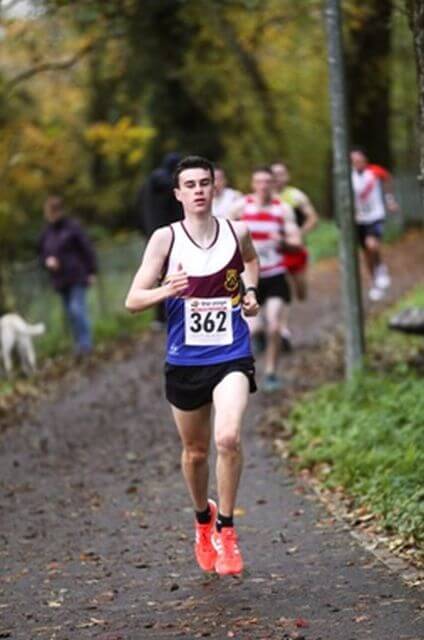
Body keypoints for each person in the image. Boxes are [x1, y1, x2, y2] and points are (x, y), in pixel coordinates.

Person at [125, 156, 260, 576]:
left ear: (214, 188)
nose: (199, 190)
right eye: (190, 184)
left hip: (231, 353)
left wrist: (251, 291)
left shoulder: (237, 231)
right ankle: (203, 519)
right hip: (184, 360)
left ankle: (228, 530)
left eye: (205, 182)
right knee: (195, 452)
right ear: (178, 193)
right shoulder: (165, 240)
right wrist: (167, 290)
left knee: (228, 438)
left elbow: (252, 260)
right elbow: (132, 300)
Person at [231, 167, 301, 392]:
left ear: (273, 185)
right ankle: (249, 360)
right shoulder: (241, 207)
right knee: (252, 330)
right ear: (253, 185)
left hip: (275, 275)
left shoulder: (284, 209)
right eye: (258, 182)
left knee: (274, 326)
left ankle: (271, 372)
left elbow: (296, 242)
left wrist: (282, 241)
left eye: (267, 182)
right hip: (249, 278)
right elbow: (222, 233)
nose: (263, 186)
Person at [38, 195, 97, 355]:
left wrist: (91, 271)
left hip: (77, 275)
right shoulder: (46, 233)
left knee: (76, 309)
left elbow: (87, 249)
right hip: (59, 280)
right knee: (70, 314)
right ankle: (78, 345)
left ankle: (86, 345)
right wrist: (47, 261)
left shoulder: (72, 228)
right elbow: (42, 254)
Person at [272, 162, 319, 349]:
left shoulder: (295, 196)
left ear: (287, 176)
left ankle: (280, 326)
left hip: (296, 248)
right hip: (275, 252)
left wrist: (299, 233)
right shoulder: (263, 197)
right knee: (283, 289)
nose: (278, 178)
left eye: (281, 174)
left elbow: (313, 217)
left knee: (300, 291)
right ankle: (281, 329)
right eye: (274, 174)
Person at [135, 152, 184, 328]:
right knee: (175, 272)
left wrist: (144, 231)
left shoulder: (145, 188)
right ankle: (174, 311)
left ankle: (160, 316)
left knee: (157, 274)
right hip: (171, 235)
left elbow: (137, 212)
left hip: (151, 235)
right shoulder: (173, 188)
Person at [350, 147, 399, 301]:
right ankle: (374, 282)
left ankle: (381, 270)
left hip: (375, 215)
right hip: (359, 219)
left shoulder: (374, 171)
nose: (357, 163)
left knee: (372, 245)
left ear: (365, 159)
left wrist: (390, 201)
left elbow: (388, 180)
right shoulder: (348, 177)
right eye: (353, 161)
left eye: (359, 160)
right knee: (366, 253)